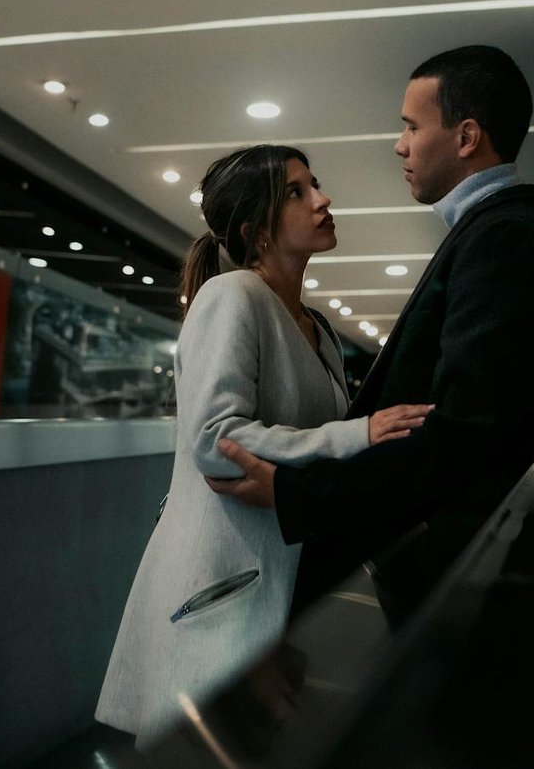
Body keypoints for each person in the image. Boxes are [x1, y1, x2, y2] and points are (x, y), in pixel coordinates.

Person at [207, 45, 534, 619]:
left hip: (457, 597)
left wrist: (296, 496)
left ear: (465, 137)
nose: (400, 144)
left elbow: (464, 440)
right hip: (456, 576)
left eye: (411, 125)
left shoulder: (505, 242)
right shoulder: (494, 235)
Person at [94, 144, 431, 747]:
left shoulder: (315, 325)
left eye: (315, 185)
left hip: (272, 594)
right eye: (297, 192)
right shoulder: (232, 297)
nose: (322, 200)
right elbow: (215, 437)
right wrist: (358, 432)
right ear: (256, 230)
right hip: (219, 590)